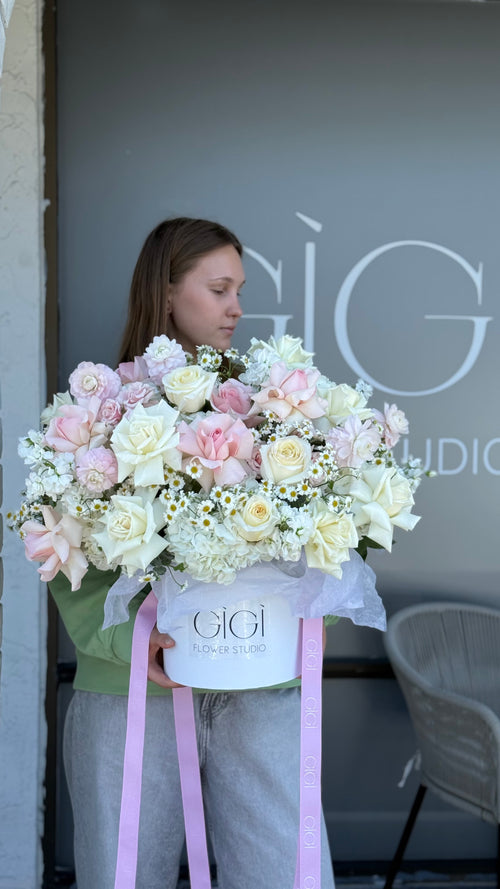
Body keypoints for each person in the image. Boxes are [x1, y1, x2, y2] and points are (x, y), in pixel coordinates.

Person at [49, 217, 335, 889]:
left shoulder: (273, 407)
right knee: (123, 877)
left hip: (258, 685)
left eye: (239, 290)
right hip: (129, 693)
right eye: (219, 288)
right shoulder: (93, 412)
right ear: (167, 291)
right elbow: (61, 546)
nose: (236, 307)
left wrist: (306, 604)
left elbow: (325, 531)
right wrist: (126, 640)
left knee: (290, 877)